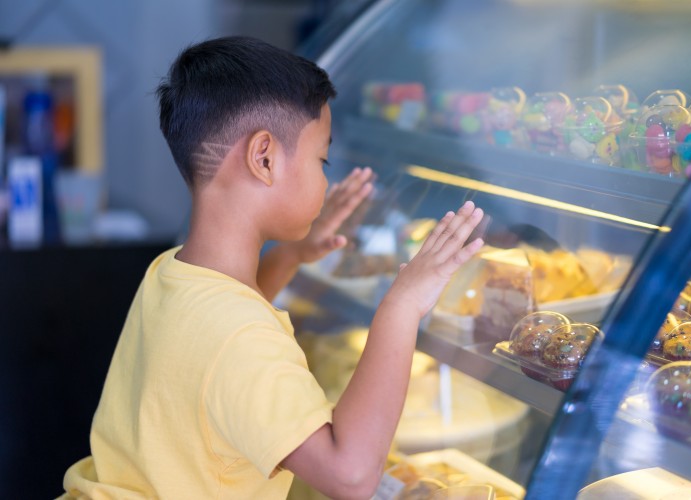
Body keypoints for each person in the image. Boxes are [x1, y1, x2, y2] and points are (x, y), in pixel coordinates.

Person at [60, 36, 484, 500]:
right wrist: (403, 305)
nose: (327, 179)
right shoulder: (239, 336)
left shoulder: (171, 272)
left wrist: (291, 256)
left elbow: (225, 340)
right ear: (264, 157)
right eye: (321, 159)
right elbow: (351, 474)